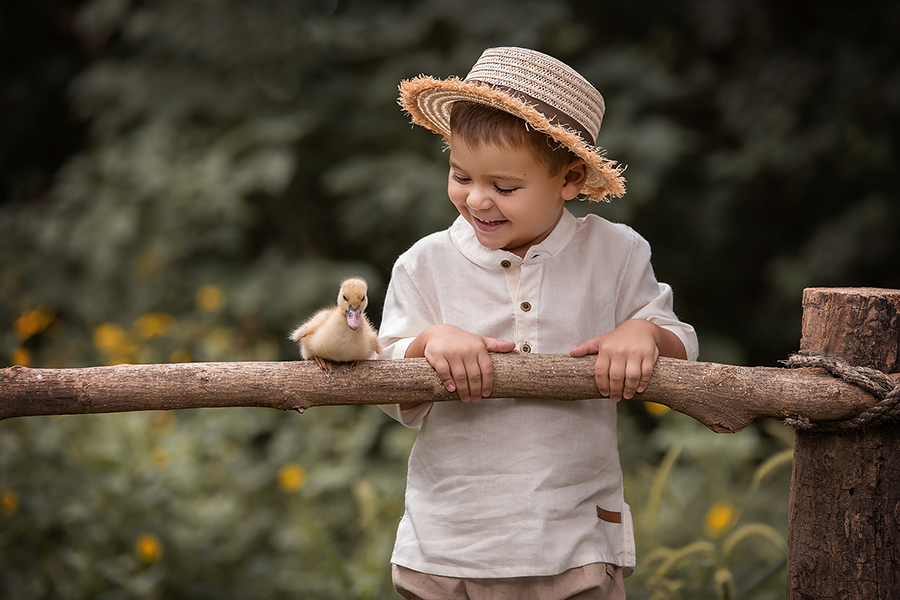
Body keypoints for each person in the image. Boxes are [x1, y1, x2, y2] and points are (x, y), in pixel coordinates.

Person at [377, 47, 699, 600]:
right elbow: (384, 372)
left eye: (504, 187)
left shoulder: (615, 253)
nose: (477, 200)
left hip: (573, 543)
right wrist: (428, 342)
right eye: (460, 176)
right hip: (448, 544)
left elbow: (681, 343)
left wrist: (642, 334)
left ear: (570, 179)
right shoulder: (423, 263)